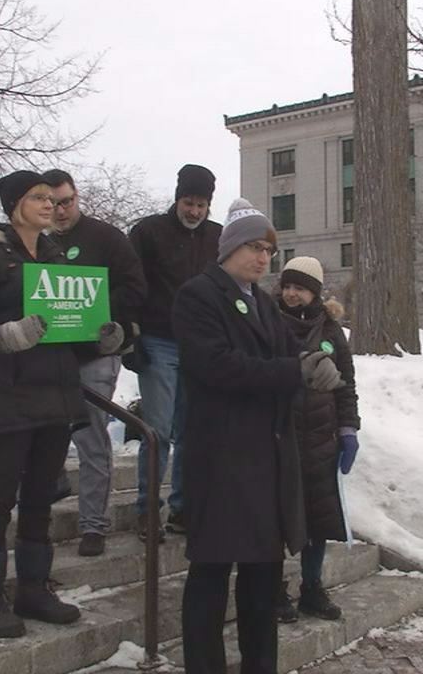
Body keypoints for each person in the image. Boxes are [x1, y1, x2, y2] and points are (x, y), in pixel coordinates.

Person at [173, 199, 344, 674]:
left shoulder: (262, 303)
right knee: (210, 575)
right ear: (228, 248)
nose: (263, 257)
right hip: (222, 459)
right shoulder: (198, 295)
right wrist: (295, 371)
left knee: (262, 580)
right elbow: (216, 366)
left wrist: (317, 365)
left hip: (267, 462)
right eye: (253, 247)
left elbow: (291, 354)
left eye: (269, 249)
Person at [0, 170, 87, 638]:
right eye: (37, 197)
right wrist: (1, 337)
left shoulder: (58, 258)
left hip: (54, 398)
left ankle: (32, 588)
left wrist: (105, 336)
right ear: (14, 206)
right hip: (6, 398)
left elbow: (70, 330)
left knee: (41, 500)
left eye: (51, 197)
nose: (49, 204)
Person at [41, 168, 147, 557]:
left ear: (77, 197)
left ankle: (93, 525)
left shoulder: (106, 238)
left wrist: (100, 312)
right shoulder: (37, 242)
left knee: (90, 437)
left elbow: (136, 288)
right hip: (51, 358)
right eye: (52, 204)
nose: (61, 210)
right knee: (46, 435)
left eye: (67, 201)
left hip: (96, 355)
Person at [126, 164, 222, 540]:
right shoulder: (148, 232)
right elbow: (131, 284)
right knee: (159, 430)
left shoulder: (218, 238)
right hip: (157, 342)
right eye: (189, 202)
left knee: (191, 431)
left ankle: (182, 508)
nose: (194, 211)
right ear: (177, 198)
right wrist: (130, 337)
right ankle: (147, 510)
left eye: (201, 204)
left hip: (199, 346)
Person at [272, 256, 360, 623]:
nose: (292, 294)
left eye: (301, 288)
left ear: (315, 293)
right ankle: (273, 590)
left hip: (321, 438)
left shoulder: (331, 331)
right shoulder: (269, 323)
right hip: (280, 434)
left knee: (317, 519)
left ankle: (312, 588)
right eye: (288, 286)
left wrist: (348, 429)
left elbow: (347, 385)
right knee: (276, 517)